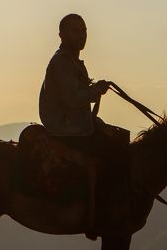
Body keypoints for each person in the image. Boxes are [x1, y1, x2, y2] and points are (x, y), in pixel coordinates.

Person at [39, 13, 130, 238]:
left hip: (72, 122)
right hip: (64, 126)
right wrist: (96, 91)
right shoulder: (62, 61)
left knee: (119, 138)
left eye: (84, 31)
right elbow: (71, 98)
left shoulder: (70, 61)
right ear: (61, 34)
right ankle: (100, 210)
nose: (81, 35)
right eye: (75, 31)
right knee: (113, 150)